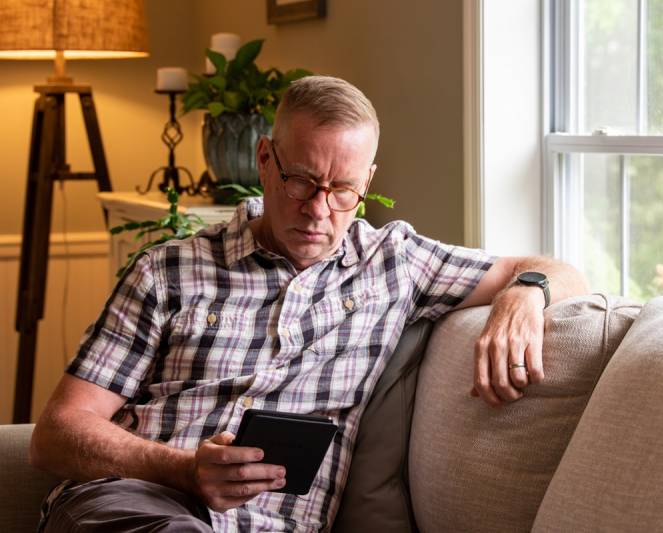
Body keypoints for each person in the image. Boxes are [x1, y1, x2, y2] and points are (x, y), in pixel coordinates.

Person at [31, 75, 588, 532]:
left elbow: (560, 271)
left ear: (368, 181)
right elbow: (56, 433)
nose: (319, 210)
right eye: (301, 181)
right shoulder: (168, 270)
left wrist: (524, 295)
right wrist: (181, 468)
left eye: (343, 189)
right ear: (266, 159)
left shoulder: (395, 262)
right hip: (135, 504)